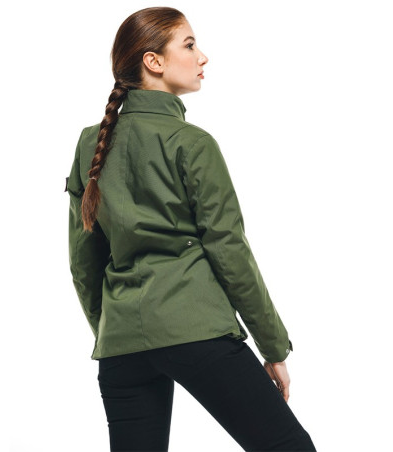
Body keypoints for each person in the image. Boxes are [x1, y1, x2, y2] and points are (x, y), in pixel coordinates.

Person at [66, 6, 317, 452]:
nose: (202, 56)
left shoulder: (90, 143)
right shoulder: (192, 143)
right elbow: (230, 251)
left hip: (121, 346)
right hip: (196, 330)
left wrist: (113, 331)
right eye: (189, 44)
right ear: (153, 61)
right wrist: (273, 346)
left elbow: (84, 261)